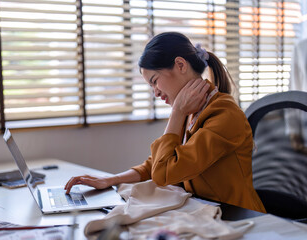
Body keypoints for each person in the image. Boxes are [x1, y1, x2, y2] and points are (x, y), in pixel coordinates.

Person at [65, 32, 266, 213]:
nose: (156, 92)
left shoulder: (224, 115)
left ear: (180, 65)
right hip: (206, 213)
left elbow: (164, 172)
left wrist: (177, 112)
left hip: (240, 219)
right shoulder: (194, 111)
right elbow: (156, 163)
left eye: (154, 81)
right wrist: (110, 180)